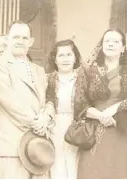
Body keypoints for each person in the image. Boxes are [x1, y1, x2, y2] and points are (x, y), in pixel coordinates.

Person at [77, 29, 127, 179]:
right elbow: (80, 104)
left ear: (123, 48)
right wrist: (101, 116)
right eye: (107, 41)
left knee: (120, 171)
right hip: (94, 130)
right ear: (101, 45)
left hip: (122, 128)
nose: (111, 44)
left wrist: (117, 107)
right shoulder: (88, 70)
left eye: (116, 42)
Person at [0, 20, 55, 179]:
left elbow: (46, 100)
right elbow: (6, 98)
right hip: (11, 142)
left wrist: (46, 118)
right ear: (7, 38)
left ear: (31, 41)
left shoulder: (38, 70)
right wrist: (35, 122)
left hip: (38, 143)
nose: (19, 41)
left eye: (24, 38)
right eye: (15, 37)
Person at [45, 39, 87, 179]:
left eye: (69, 55)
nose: (65, 59)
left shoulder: (83, 78)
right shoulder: (47, 79)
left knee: (75, 163)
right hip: (54, 126)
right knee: (56, 163)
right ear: (55, 59)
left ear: (75, 58)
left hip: (76, 126)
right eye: (61, 55)